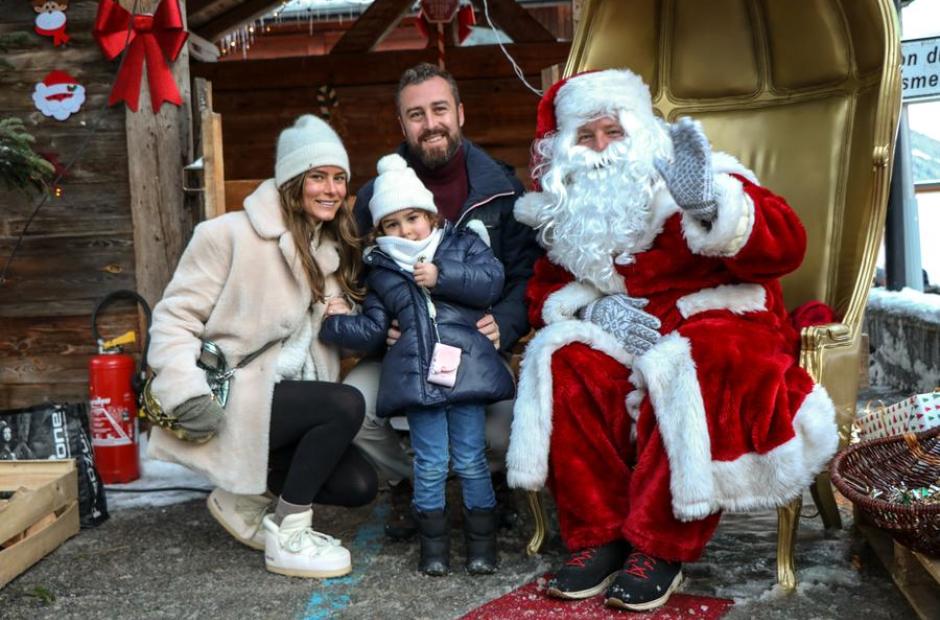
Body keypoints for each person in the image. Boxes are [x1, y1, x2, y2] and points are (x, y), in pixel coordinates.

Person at [506, 69, 840, 611]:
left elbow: (788, 246)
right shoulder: (571, 212)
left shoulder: (698, 177)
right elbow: (546, 293)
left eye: (611, 132)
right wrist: (591, 307)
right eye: (585, 138)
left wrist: (710, 206)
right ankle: (600, 534)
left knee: (696, 358)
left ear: (637, 129)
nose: (600, 149)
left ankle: (659, 547)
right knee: (565, 356)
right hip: (631, 332)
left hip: (720, 322)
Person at [146, 115, 378, 579]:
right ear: (292, 181)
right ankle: (289, 534)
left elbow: (331, 336)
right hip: (234, 397)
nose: (331, 189)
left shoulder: (330, 254)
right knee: (344, 404)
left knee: (358, 483)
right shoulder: (226, 234)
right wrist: (185, 390)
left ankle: (242, 496)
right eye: (317, 176)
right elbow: (174, 318)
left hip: (285, 405)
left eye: (339, 178)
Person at [345, 63, 542, 539]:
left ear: (459, 113)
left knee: (506, 431)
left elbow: (524, 275)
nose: (429, 123)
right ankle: (416, 485)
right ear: (402, 125)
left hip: (475, 348)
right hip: (402, 352)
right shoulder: (374, 196)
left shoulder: (500, 187)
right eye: (416, 114)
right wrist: (378, 330)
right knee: (352, 407)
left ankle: (486, 481)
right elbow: (353, 279)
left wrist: (507, 321)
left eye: (439, 109)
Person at [321, 154, 514, 575]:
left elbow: (491, 279)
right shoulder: (383, 271)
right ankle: (435, 547)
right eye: (392, 224)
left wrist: (442, 276)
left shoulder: (461, 244)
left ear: (429, 215)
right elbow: (373, 330)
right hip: (419, 381)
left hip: (467, 373)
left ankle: (482, 545)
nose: (405, 231)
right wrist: (335, 323)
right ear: (380, 231)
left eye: (413, 219)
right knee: (429, 463)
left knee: (469, 459)